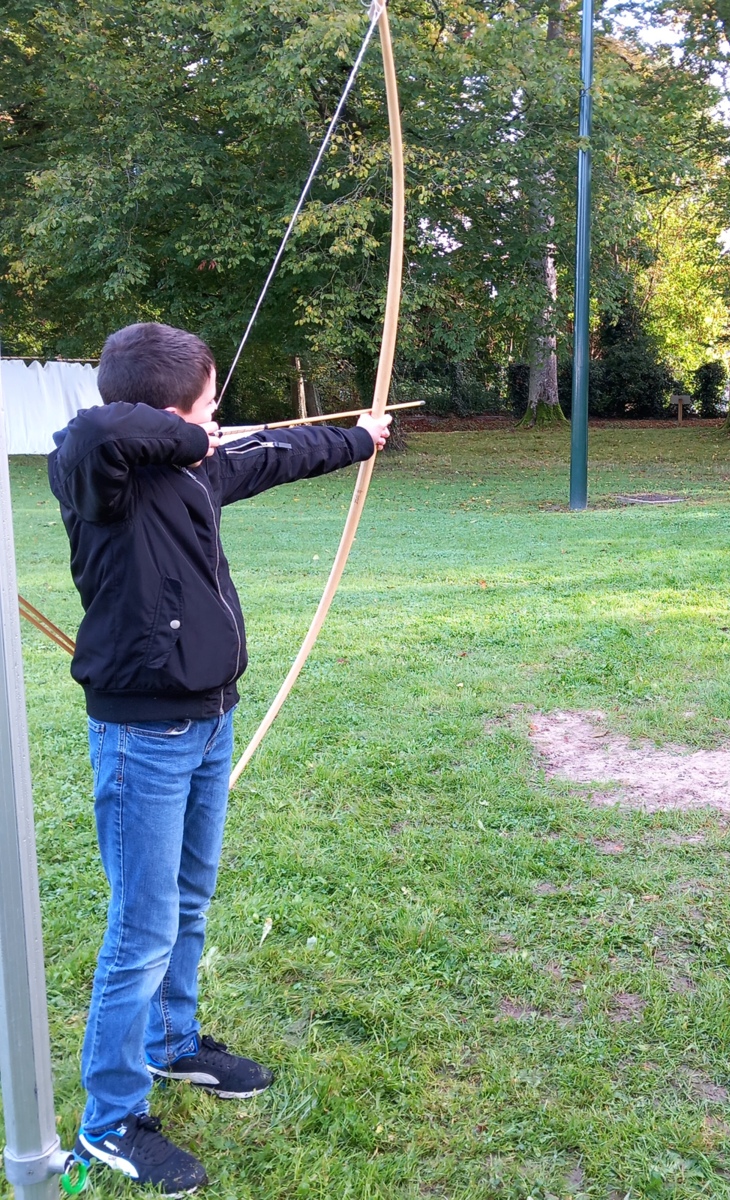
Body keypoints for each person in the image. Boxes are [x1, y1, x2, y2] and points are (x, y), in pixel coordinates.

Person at [48, 322, 391, 1195]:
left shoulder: (194, 471)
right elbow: (95, 430)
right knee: (141, 927)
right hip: (144, 735)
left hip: (209, 719)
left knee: (188, 899)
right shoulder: (99, 477)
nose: (219, 419)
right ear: (170, 415)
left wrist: (358, 439)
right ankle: (109, 1123)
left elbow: (277, 454)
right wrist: (190, 434)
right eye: (207, 405)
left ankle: (172, 1044)